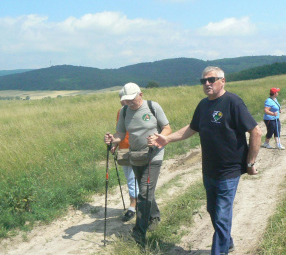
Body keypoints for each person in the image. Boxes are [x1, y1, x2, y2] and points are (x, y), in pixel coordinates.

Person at [148, 66, 262, 255]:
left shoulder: (233, 102)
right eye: (204, 81)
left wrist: (250, 163)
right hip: (209, 169)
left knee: (223, 214)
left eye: (211, 80)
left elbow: (256, 131)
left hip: (229, 169)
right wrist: (167, 138)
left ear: (223, 81)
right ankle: (228, 242)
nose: (207, 84)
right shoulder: (203, 105)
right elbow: (191, 129)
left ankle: (219, 251)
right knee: (213, 211)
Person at [104, 83, 172, 244]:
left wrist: (157, 139)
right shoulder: (124, 111)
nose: (129, 102)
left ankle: (139, 232)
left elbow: (167, 128)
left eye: (132, 99)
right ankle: (154, 217)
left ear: (140, 94)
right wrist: (113, 140)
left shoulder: (152, 106)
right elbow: (120, 133)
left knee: (144, 192)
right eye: (126, 100)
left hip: (153, 156)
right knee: (145, 191)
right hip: (135, 156)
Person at [112, 90, 138, 222]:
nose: (123, 100)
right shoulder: (121, 112)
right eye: (121, 98)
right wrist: (114, 145)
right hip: (123, 149)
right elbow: (119, 132)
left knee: (133, 180)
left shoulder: (136, 110)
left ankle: (133, 207)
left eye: (125, 98)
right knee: (130, 179)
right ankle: (137, 204)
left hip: (136, 150)